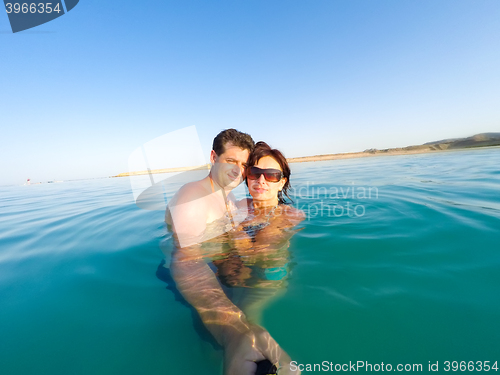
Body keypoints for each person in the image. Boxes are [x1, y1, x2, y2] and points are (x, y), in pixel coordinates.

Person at [167, 134, 302, 375]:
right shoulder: (197, 198)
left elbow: (258, 254)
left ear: (282, 182)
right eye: (253, 171)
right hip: (216, 277)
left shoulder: (231, 199)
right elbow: (187, 259)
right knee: (228, 341)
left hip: (261, 277)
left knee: (238, 337)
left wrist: (239, 235)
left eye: (243, 165)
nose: (238, 171)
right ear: (213, 158)